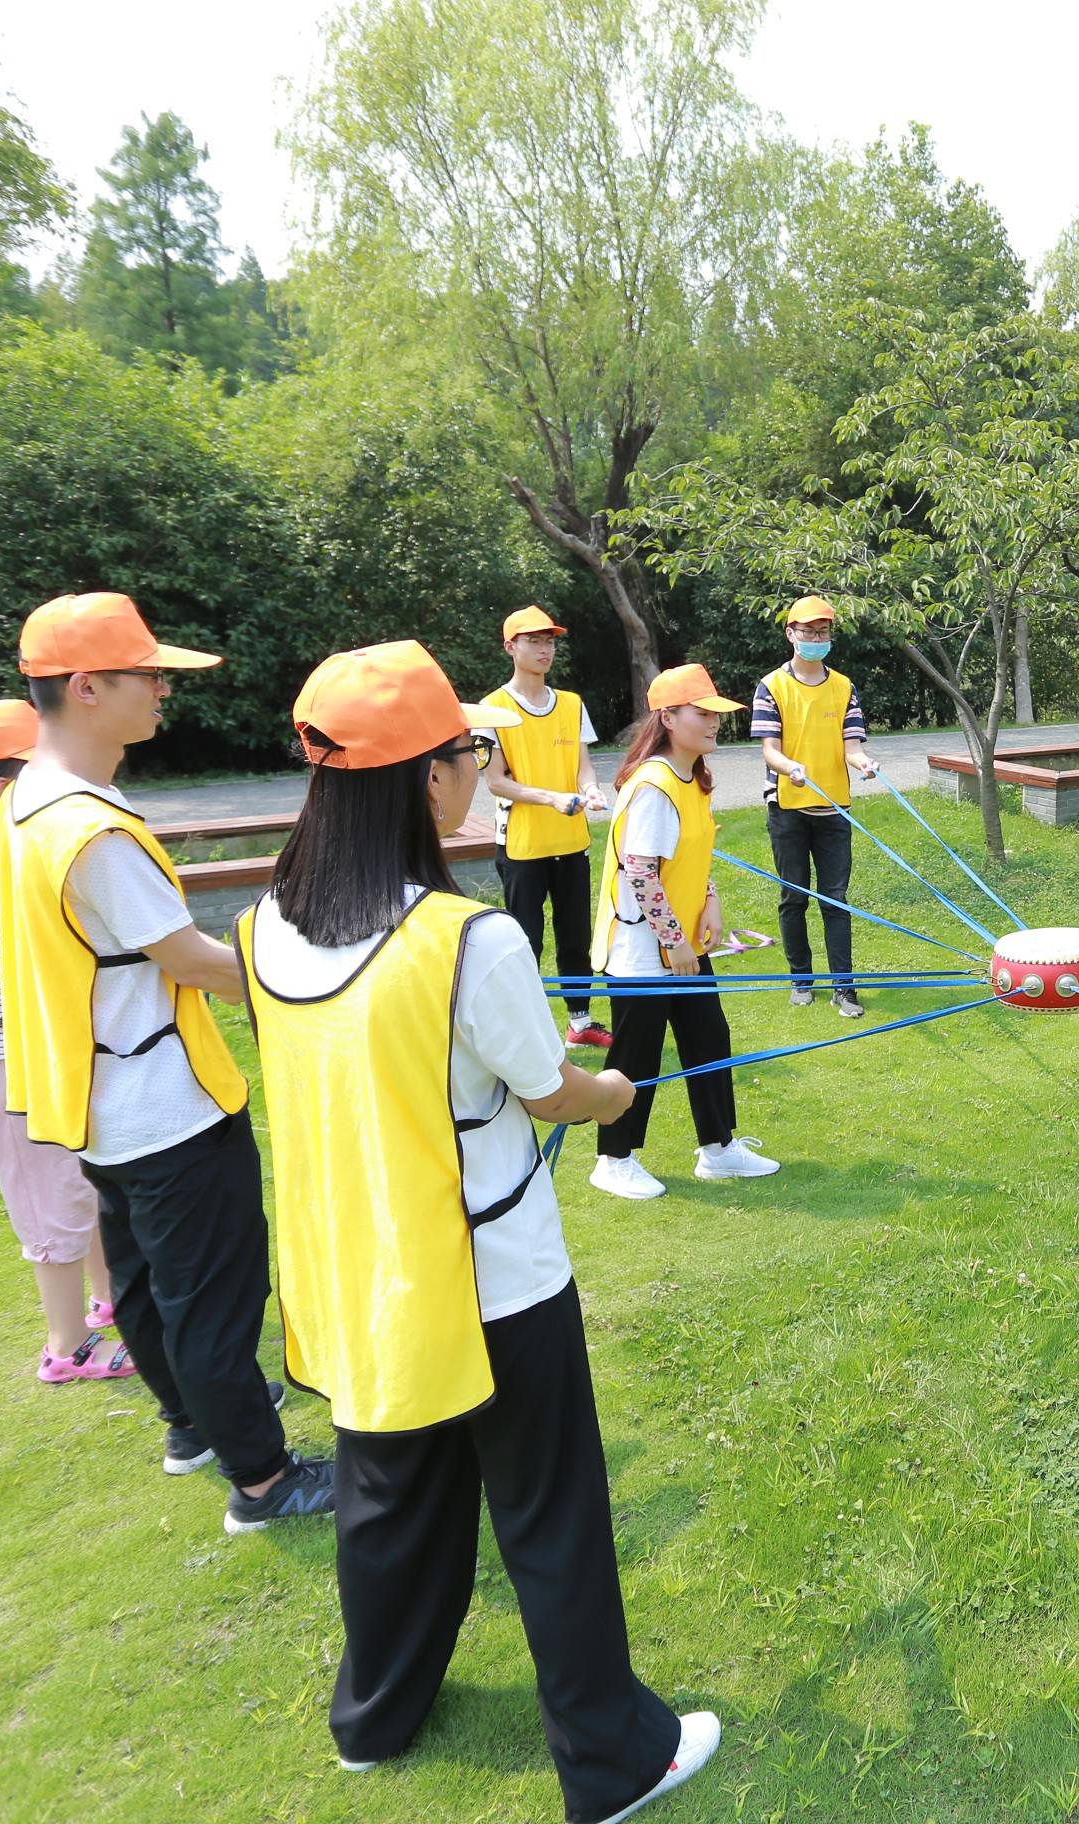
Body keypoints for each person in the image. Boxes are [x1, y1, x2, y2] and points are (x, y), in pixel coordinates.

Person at [238, 640, 719, 1819]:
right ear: (426, 775)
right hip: (495, 1277)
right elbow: (554, 1090)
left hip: (368, 1273)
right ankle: (612, 1761)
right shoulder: (469, 938)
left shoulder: (263, 928)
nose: (477, 770)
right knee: (550, 1512)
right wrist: (614, 1092)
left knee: (389, 1499)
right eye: (469, 752)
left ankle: (375, 1717)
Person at [0, 591, 333, 1531]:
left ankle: (190, 1425)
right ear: (85, 687)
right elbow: (193, 962)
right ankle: (263, 1482)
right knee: (212, 1300)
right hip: (165, 1107)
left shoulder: (27, 801)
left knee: (146, 1286)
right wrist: (321, 985)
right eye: (147, 675)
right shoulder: (92, 831)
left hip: (101, 1101)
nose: (163, 690)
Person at [0, 698, 133, 1386]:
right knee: (51, 1200)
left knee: (81, 1179)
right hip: (6, 1055)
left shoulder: (8, 846)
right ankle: (67, 1348)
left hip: (32, 1048)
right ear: (3, 787)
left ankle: (108, 1300)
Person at [588, 664, 780, 1200]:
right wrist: (673, 941)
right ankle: (613, 1159)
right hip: (643, 949)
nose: (715, 723)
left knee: (708, 1039)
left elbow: (688, 856)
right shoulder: (654, 784)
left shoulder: (691, 778)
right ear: (668, 719)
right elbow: (640, 870)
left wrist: (710, 902)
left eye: (717, 713)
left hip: (681, 943)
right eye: (703, 713)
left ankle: (718, 1149)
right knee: (636, 1057)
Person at [482, 606, 611, 1051]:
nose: (544, 650)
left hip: (571, 842)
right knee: (525, 942)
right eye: (533, 641)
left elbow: (583, 767)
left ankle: (580, 1024)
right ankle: (527, 1033)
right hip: (522, 845)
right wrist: (552, 798)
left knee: (575, 939)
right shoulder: (491, 709)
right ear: (510, 647)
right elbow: (496, 781)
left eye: (550, 642)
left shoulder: (572, 704)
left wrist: (590, 790)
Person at [751, 595, 879, 1017]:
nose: (815, 639)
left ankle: (845, 988)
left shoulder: (844, 687)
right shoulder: (771, 686)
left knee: (836, 899)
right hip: (787, 808)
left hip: (834, 810)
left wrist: (865, 763)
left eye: (822, 632)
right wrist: (790, 767)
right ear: (791, 634)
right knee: (794, 896)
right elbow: (769, 749)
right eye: (807, 632)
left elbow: (852, 746)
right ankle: (801, 980)